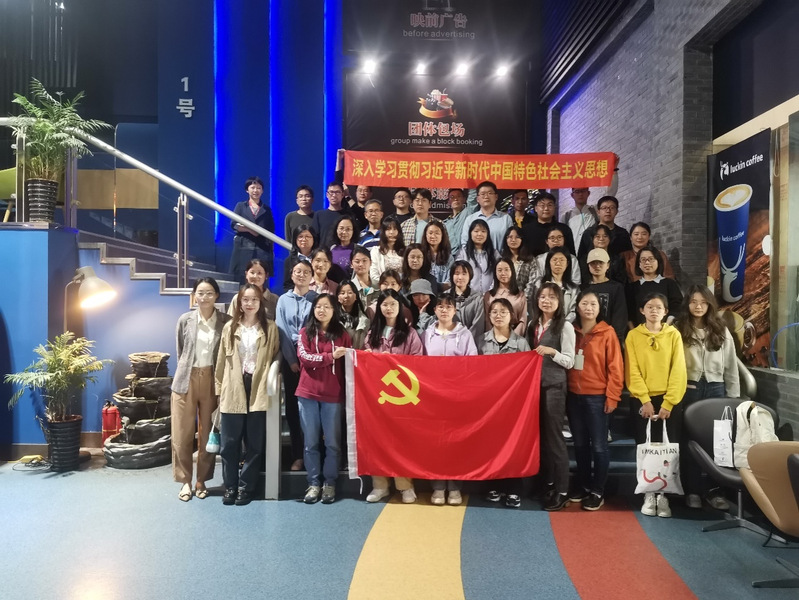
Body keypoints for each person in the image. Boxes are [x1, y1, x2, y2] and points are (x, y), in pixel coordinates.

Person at [674, 285, 739, 510]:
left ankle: (715, 491)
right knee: (690, 441)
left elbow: (731, 365)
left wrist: (733, 396)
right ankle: (692, 490)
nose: (698, 306)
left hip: (716, 389)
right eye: (693, 301)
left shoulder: (720, 329)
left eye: (703, 302)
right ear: (687, 304)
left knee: (719, 442)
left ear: (710, 304)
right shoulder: (678, 328)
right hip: (689, 388)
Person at [216, 283, 280, 506]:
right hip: (233, 386)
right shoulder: (230, 327)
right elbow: (221, 361)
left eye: (254, 299)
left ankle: (246, 487)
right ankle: (230, 486)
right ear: (239, 302)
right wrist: (219, 390)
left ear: (260, 302)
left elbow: (274, 355)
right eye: (246, 299)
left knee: (254, 442)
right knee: (229, 443)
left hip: (258, 385)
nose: (250, 303)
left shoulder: (270, 327)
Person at [625, 292, 688, 518]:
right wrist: (644, 400)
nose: (654, 310)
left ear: (665, 311)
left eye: (659, 307)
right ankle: (648, 494)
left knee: (667, 449)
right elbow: (632, 370)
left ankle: (664, 495)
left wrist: (669, 402)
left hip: (669, 401)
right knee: (645, 447)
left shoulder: (673, 335)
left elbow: (678, 369)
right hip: (643, 400)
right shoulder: (633, 335)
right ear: (642, 310)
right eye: (649, 306)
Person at [171, 277, 230, 502]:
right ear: (194, 296)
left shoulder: (225, 321)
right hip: (186, 379)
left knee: (208, 433)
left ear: (216, 296)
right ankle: (185, 481)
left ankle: (201, 480)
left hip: (212, 379)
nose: (204, 297)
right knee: (182, 432)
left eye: (209, 293)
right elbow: (181, 352)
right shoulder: (185, 320)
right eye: (200, 293)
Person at [363, 289, 424, 504]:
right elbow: (365, 364)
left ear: (400, 308)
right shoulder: (372, 333)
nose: (389, 308)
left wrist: (394, 360)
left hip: (403, 397)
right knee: (377, 441)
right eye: (385, 304)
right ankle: (380, 485)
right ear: (379, 307)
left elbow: (418, 362)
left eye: (393, 304)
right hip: (377, 397)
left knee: (401, 442)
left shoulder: (410, 333)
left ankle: (405, 486)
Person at [566, 290, 623, 511]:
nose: (589, 308)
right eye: (585, 303)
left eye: (593, 304)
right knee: (580, 445)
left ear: (599, 309)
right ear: (577, 306)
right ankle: (583, 485)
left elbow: (616, 368)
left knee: (599, 446)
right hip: (573, 396)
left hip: (597, 397)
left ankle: (598, 490)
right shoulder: (570, 331)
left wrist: (612, 397)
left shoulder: (607, 333)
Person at [422, 292, 478, 505]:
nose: (444, 310)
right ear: (434, 310)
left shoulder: (465, 334)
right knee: (435, 444)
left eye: (448, 307)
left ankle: (455, 487)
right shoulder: (426, 334)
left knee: (456, 443)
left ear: (455, 310)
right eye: (440, 306)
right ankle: (437, 487)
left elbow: (472, 364)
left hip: (457, 397)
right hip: (432, 398)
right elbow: (418, 364)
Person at [296, 294, 352, 504]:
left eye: (327, 307)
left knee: (333, 443)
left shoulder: (342, 335)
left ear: (334, 310)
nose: (322, 310)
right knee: (310, 443)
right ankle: (313, 483)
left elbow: (349, 362)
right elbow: (305, 358)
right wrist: (330, 357)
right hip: (308, 394)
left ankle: (330, 483)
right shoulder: (305, 333)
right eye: (318, 306)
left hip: (333, 395)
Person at [529, 282, 576, 511]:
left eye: (552, 297)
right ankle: (548, 484)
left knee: (555, 438)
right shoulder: (533, 324)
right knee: (541, 438)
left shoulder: (564, 326)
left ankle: (563, 490)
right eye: (543, 297)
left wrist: (552, 352)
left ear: (559, 302)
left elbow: (570, 361)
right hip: (534, 387)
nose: (546, 301)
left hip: (554, 387)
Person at [481, 297, 532, 507]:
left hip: (513, 404)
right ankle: (493, 486)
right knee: (491, 445)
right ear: (489, 315)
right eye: (494, 311)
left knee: (513, 446)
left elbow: (528, 374)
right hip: (488, 403)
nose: (499, 315)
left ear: (512, 316)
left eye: (503, 311)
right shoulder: (481, 341)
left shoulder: (521, 343)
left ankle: (514, 489)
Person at [276, 259, 318, 471]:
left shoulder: (316, 299)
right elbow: (282, 330)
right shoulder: (283, 300)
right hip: (291, 358)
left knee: (313, 409)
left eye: (306, 272)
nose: (301, 275)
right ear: (292, 275)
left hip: (313, 360)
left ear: (312, 276)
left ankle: (315, 454)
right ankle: (298, 455)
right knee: (293, 410)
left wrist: (309, 357)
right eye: (297, 271)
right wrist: (292, 360)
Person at [229, 176, 276, 283]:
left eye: (259, 188)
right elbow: (233, 224)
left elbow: (271, 230)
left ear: (262, 191)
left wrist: (272, 250)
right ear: (247, 189)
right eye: (253, 187)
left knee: (261, 278)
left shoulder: (267, 209)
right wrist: (250, 230)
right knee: (243, 278)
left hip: (262, 248)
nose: (256, 190)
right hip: (244, 247)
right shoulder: (241, 206)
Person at [626, 244, 683, 328]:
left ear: (658, 261)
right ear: (639, 264)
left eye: (651, 259)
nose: (647, 262)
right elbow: (629, 312)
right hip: (639, 331)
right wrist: (633, 331)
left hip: (666, 330)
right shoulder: (632, 287)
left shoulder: (669, 284)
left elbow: (677, 307)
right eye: (643, 260)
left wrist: (666, 326)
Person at [581, 248, 628, 347]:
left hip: (609, 338)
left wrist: (614, 338)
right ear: (588, 265)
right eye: (593, 263)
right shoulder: (582, 288)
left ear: (608, 265)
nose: (597, 266)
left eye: (601, 263)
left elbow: (620, 316)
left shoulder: (616, 287)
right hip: (586, 337)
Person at [460, 181, 513, 251]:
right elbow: (465, 243)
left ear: (496, 197)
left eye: (490, 193)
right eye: (483, 194)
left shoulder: (506, 218)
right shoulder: (470, 219)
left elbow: (511, 242)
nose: (486, 196)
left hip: (501, 257)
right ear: (477, 199)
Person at [522, 192, 575, 257]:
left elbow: (571, 255)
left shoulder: (564, 229)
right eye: (542, 205)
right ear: (535, 208)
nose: (546, 208)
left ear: (554, 207)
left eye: (549, 205)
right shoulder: (526, 230)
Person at [456, 219, 500, 295]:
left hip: (490, 295)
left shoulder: (494, 253)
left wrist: (490, 292)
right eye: (476, 231)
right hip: (468, 296)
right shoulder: (463, 253)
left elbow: (499, 274)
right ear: (470, 233)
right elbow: (458, 274)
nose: (479, 234)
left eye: (483, 231)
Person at [484, 258, 528, 335]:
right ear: (495, 273)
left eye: (506, 270)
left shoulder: (520, 295)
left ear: (512, 271)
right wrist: (494, 337)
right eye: (499, 270)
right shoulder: (489, 295)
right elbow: (487, 320)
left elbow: (523, 320)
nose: (503, 273)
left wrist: (513, 338)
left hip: (515, 336)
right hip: (494, 335)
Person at [538, 248, 579, 322]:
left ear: (567, 263)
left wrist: (562, 324)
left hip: (565, 324)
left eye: (562, 260)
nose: (558, 263)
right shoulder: (539, 284)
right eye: (554, 260)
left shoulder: (573, 289)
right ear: (549, 262)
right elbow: (533, 306)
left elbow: (574, 311)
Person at [450, 260, 486, 342]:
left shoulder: (477, 298)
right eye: (457, 273)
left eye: (464, 274)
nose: (460, 277)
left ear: (470, 275)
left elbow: (478, 326)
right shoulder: (445, 297)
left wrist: (465, 341)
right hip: (450, 342)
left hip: (471, 342)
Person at [501, 226, 540, 300]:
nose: (513, 240)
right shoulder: (501, 259)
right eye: (510, 237)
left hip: (524, 300)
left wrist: (521, 299)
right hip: (504, 299)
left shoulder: (530, 259)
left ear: (522, 239)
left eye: (517, 237)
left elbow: (532, 282)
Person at [369, 216, 406, 284]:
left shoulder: (405, 251)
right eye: (388, 229)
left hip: (402, 287)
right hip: (383, 288)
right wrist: (387, 285)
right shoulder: (376, 251)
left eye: (395, 229)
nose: (392, 232)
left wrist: (398, 285)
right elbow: (373, 276)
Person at [283, 225, 318, 291]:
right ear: (295, 240)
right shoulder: (289, 261)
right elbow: (287, 285)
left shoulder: (319, 258)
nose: (304, 239)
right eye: (300, 237)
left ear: (314, 239)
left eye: (307, 236)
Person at [443, 187, 477, 254]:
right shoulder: (445, 223)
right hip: (449, 257)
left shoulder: (468, 212)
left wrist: (471, 181)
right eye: (452, 197)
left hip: (466, 255)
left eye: (458, 196)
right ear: (449, 201)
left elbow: (472, 198)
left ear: (464, 199)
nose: (455, 199)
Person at [421, 221, 454, 291]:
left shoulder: (449, 257)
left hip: (443, 294)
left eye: (437, 233)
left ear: (442, 235)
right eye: (430, 233)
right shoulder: (421, 255)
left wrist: (435, 286)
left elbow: (449, 282)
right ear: (425, 235)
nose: (433, 236)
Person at [337, 280, 371, 349]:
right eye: (342, 293)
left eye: (350, 293)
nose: (346, 296)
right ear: (338, 297)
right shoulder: (332, 317)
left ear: (356, 296)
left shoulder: (364, 320)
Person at [328, 215, 359, 282]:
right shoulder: (332, 249)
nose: (344, 232)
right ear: (336, 230)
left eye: (348, 229)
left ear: (353, 231)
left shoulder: (358, 250)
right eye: (341, 228)